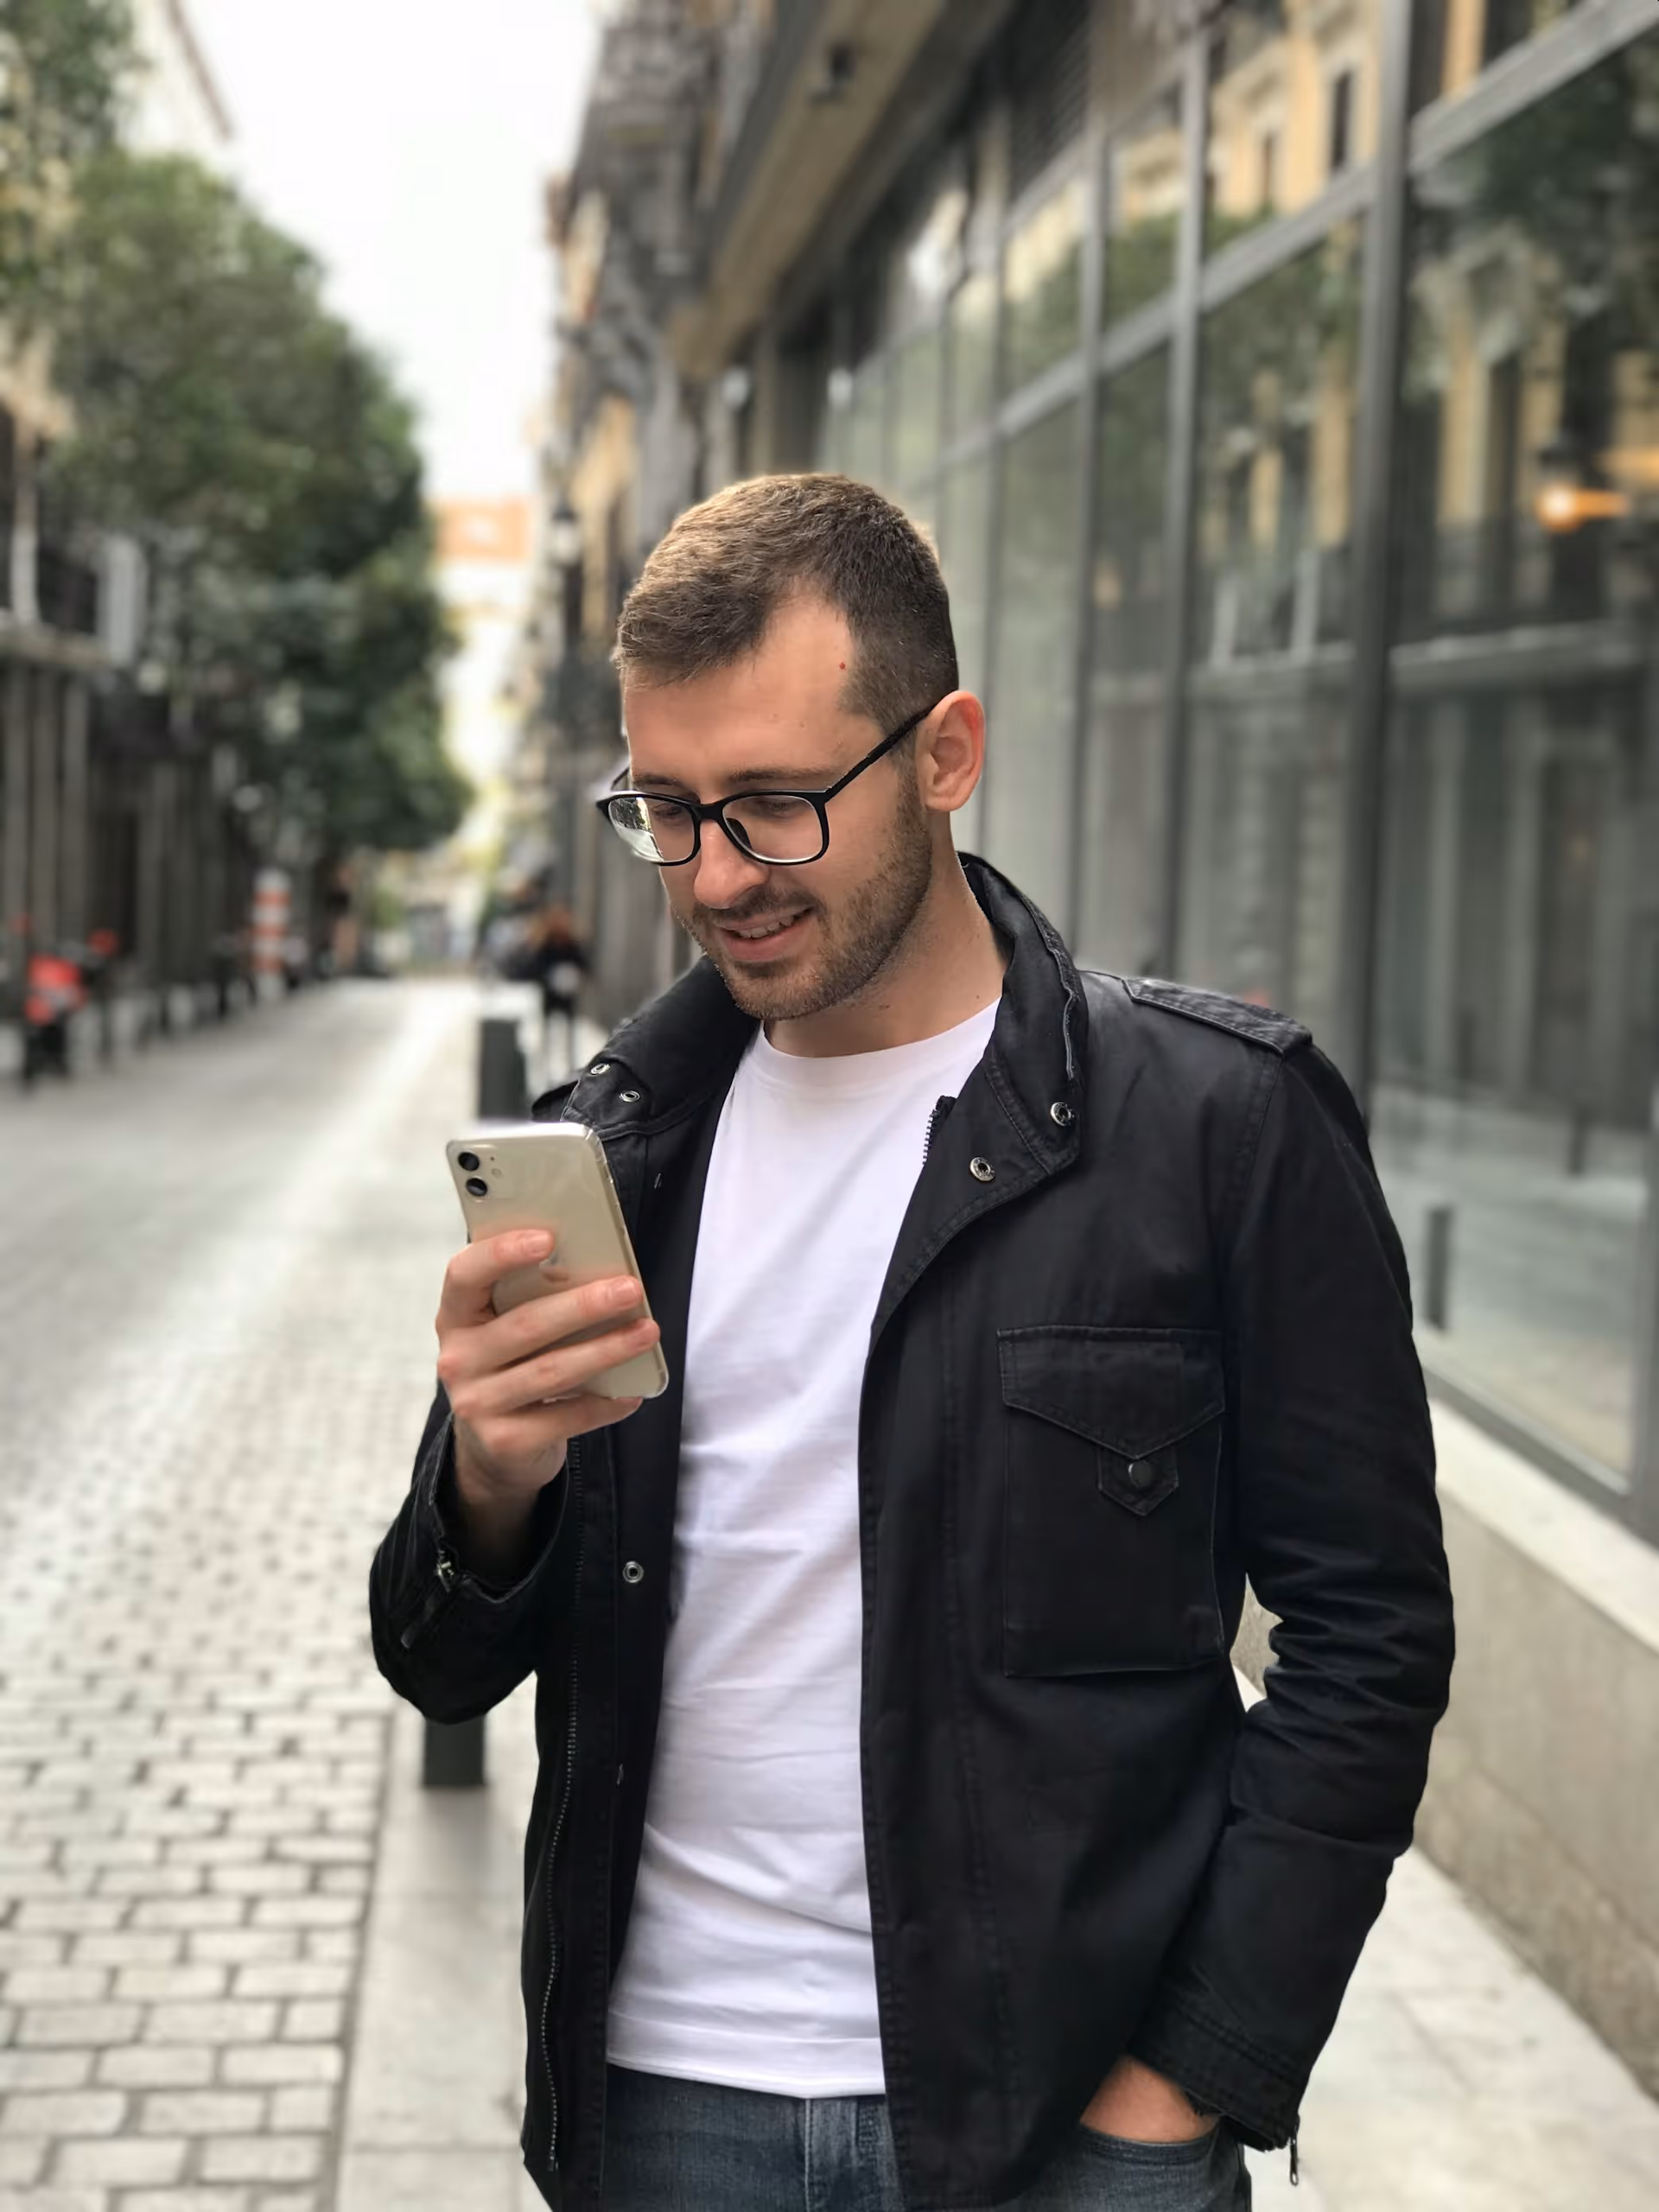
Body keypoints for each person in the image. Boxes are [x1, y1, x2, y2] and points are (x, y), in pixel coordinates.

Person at [370, 475, 1454, 2212]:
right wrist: (490, 1481)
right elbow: (435, 1663)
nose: (717, 873)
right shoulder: (620, 1148)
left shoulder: (1214, 1125)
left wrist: (1191, 2074)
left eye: (778, 804)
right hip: (660, 2107)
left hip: (1061, 2128)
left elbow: (1369, 1629)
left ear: (945, 752)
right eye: (667, 806)